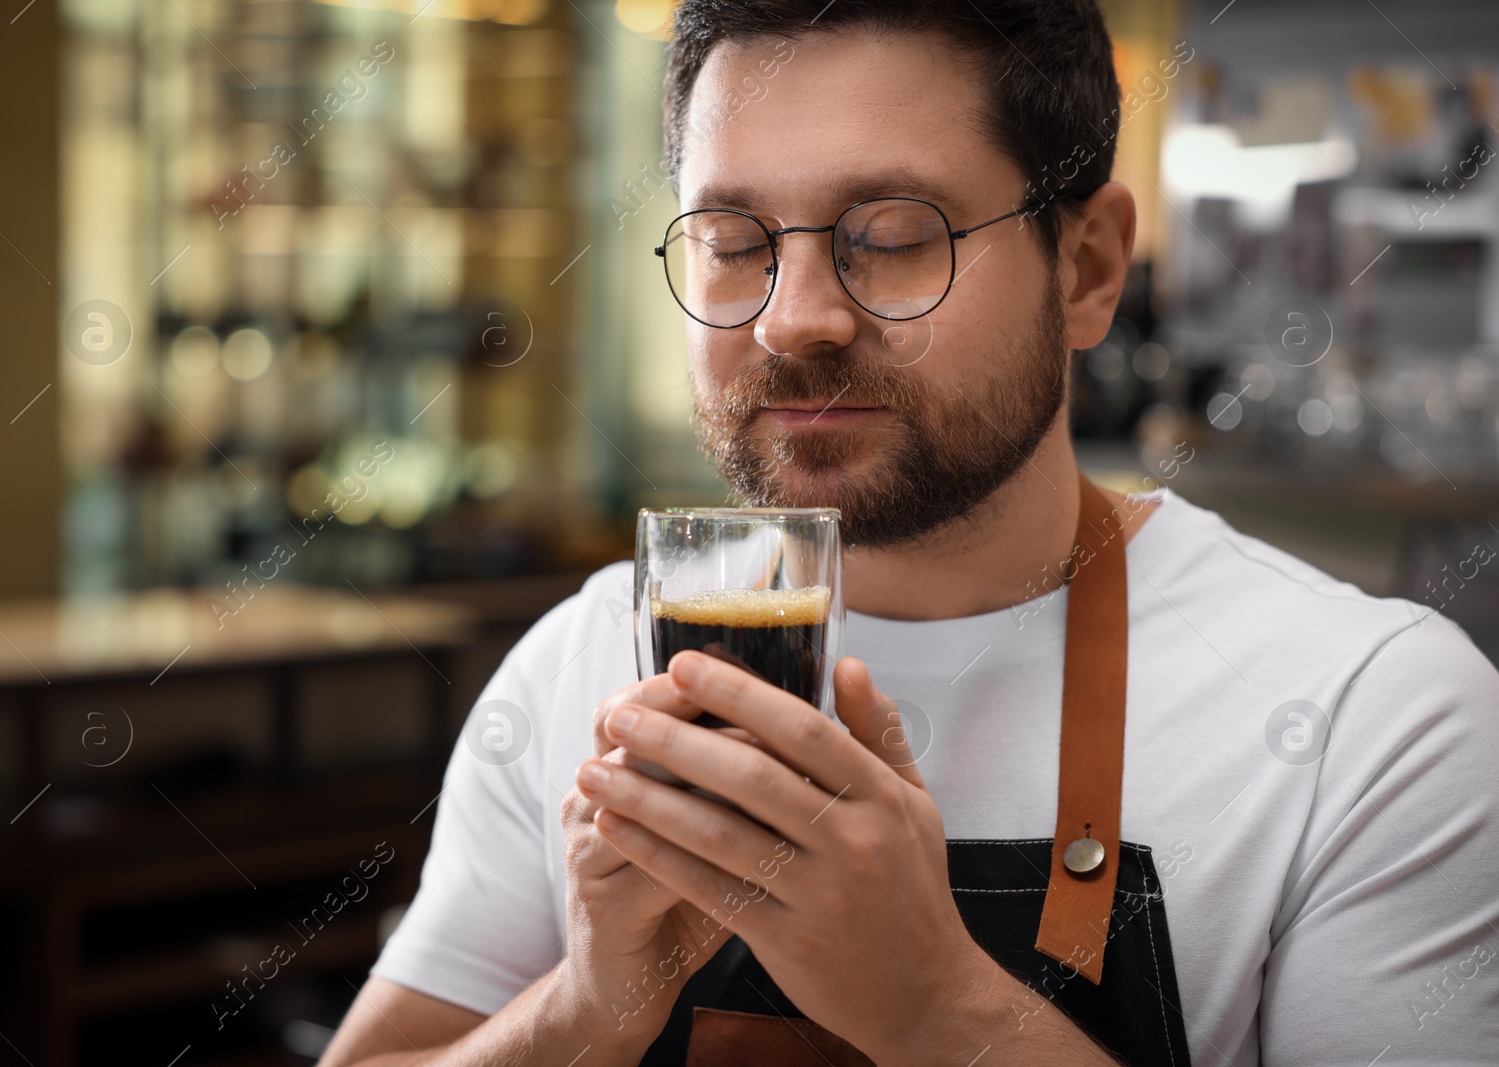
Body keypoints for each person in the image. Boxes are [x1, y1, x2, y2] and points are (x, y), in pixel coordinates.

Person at [320, 2, 1499, 1064]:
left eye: (889, 235)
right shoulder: (584, 659)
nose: (793, 320)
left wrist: (934, 1005)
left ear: (1086, 267)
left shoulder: (1376, 719)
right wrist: (583, 1009)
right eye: (732, 243)